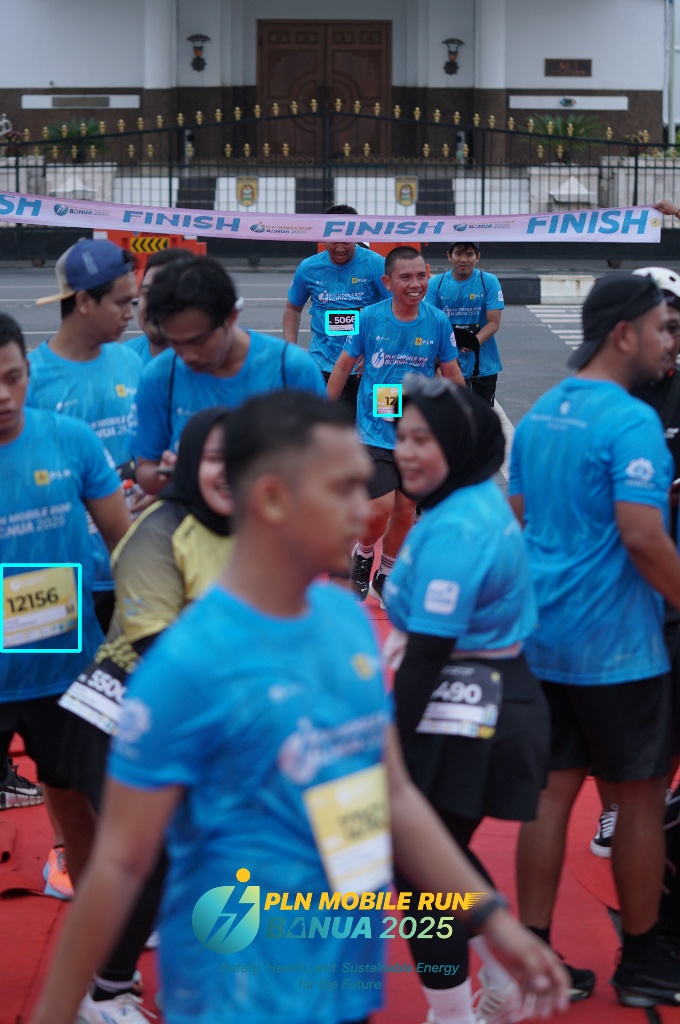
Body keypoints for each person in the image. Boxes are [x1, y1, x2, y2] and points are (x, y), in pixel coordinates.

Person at [28, 391, 568, 1024]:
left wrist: (495, 923)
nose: (364, 511)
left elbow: (393, 797)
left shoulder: (345, 624)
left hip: (343, 976)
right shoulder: (187, 667)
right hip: (236, 994)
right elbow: (120, 866)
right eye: (342, 489)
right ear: (272, 499)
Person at [509, 271, 680, 1008]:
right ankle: (642, 961)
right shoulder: (631, 421)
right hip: (618, 646)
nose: (671, 343)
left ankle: (535, 955)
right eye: (664, 329)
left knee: (550, 797)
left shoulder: (542, 413)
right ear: (624, 334)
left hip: (544, 637)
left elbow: (519, 517)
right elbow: (643, 536)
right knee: (638, 799)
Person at [56, 407, 233, 1024]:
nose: (228, 472)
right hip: (120, 716)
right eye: (214, 457)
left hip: (197, 716)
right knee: (148, 857)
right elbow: (160, 648)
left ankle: (196, 976)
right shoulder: (157, 531)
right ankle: (105, 993)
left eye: (241, 457)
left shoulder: (254, 527)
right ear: (188, 460)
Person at [382, 373, 550, 1024]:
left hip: (467, 706)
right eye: (402, 436)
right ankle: (501, 976)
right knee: (436, 857)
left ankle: (452, 1012)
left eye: (424, 439)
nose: (406, 452)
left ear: (457, 441)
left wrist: (388, 753)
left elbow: (428, 653)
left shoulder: (458, 526)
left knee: (420, 867)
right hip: (477, 698)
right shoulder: (468, 497)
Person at [0, 311, 130, 903]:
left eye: (13, 377)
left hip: (68, 670)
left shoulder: (71, 440)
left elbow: (124, 543)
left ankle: (106, 938)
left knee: (82, 811)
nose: (4, 396)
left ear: (27, 373)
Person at [28, 237, 141, 896]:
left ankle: (125, 861)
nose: (131, 313)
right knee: (56, 734)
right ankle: (69, 851)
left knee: (126, 728)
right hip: (50, 582)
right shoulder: (29, 379)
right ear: (85, 301)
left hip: (130, 574)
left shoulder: (132, 361)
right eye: (122, 302)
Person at [589, 266, 680, 859]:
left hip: (668, 582)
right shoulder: (600, 397)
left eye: (673, 323)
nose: (666, 335)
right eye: (657, 323)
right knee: (614, 720)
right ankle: (615, 808)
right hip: (615, 584)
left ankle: (658, 799)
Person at [326, 245, 464, 605]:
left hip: (416, 435)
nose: (414, 284)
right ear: (387, 282)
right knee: (379, 508)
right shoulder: (369, 318)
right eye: (405, 277)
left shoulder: (437, 321)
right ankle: (363, 553)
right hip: (373, 430)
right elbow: (343, 366)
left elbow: (451, 372)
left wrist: (465, 419)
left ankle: (385, 575)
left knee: (405, 511)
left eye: (420, 276)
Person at [131, 255, 326, 495]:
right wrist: (174, 474)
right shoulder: (160, 375)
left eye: (198, 341)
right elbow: (146, 470)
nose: (188, 356)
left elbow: (325, 462)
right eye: (176, 343)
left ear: (231, 316)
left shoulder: (291, 370)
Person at [282, 204, 389, 412]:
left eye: (346, 241)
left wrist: (379, 347)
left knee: (387, 420)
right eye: (334, 240)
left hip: (372, 366)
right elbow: (292, 309)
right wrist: (291, 351)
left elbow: (397, 310)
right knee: (328, 426)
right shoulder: (308, 268)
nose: (340, 248)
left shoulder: (377, 265)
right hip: (324, 366)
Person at [425, 242, 504, 406]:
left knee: (480, 417)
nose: (463, 259)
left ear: (477, 257)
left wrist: (472, 342)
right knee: (448, 415)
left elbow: (494, 323)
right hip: (446, 365)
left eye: (469, 254)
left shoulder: (488, 282)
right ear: (449, 256)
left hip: (482, 367)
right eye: (458, 254)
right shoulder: (436, 283)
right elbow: (430, 324)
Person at [124, 248, 193, 365]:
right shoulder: (122, 358)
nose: (154, 304)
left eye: (166, 294)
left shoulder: (213, 367)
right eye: (147, 293)